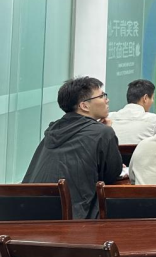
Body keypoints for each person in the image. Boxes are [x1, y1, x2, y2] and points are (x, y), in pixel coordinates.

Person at [23, 77, 122, 219]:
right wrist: (106, 130)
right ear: (84, 106)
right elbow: (112, 175)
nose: (107, 100)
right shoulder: (103, 133)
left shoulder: (53, 130)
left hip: (30, 213)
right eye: (102, 96)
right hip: (75, 218)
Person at [108, 79, 156, 144]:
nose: (153, 101)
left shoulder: (109, 118)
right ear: (145, 98)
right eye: (152, 98)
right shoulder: (154, 120)